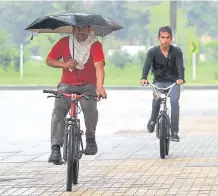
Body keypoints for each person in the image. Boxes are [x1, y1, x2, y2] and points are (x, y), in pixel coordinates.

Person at [46, 25, 107, 164]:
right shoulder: (64, 42)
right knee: (58, 112)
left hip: (88, 85)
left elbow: (99, 66)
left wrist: (99, 87)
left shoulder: (95, 44)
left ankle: (90, 139)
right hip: (66, 85)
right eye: (77, 29)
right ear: (73, 29)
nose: (80, 32)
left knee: (89, 108)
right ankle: (55, 148)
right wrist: (64, 64)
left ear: (89, 29)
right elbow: (49, 60)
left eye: (84, 29)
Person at [140, 26, 185, 142]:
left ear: (171, 38)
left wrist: (181, 78)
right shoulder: (153, 52)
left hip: (173, 83)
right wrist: (143, 78)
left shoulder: (177, 52)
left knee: (174, 102)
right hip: (159, 82)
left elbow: (180, 66)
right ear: (158, 38)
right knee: (156, 100)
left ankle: (174, 131)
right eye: (163, 37)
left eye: (168, 37)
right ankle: (153, 120)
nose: (165, 40)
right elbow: (147, 65)